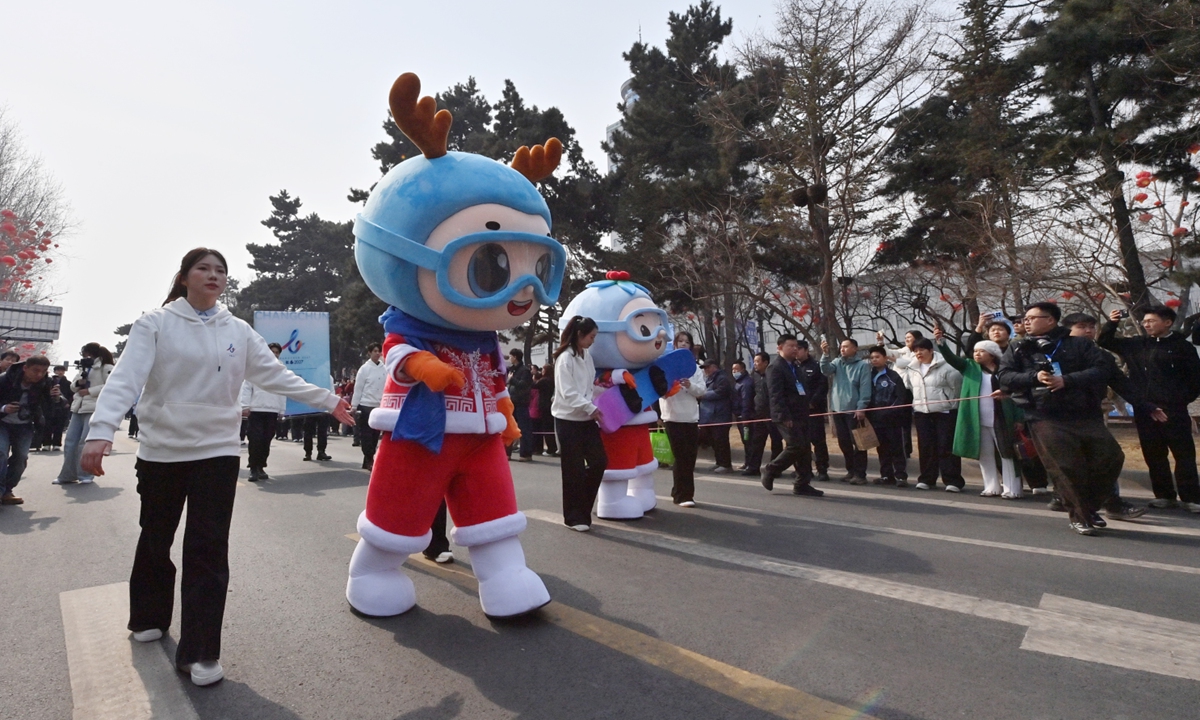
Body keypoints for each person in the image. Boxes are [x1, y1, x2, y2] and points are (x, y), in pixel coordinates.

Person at [80, 247, 354, 687]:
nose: (213, 275)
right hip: (162, 452)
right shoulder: (156, 323)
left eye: (220, 271)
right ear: (184, 277)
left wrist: (326, 398)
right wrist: (101, 430)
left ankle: (201, 651)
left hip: (218, 452)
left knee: (208, 548)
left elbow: (273, 374)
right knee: (156, 536)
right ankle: (149, 615)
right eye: (203, 269)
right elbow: (126, 378)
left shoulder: (238, 330)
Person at [996, 302, 1121, 535]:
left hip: (1085, 414)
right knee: (1066, 466)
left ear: (1051, 320)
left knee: (1111, 457)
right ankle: (1080, 516)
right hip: (1044, 415)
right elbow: (1004, 377)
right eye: (1025, 318)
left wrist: (1068, 380)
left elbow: (1103, 369)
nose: (1026, 322)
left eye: (1032, 317)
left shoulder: (1079, 345)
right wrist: (1034, 377)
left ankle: (1089, 507)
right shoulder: (1019, 348)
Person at [1098, 305, 1200, 512]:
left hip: (1173, 409)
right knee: (1154, 454)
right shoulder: (1137, 344)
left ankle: (1191, 497)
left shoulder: (1181, 346)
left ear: (1167, 322)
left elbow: (1195, 379)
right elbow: (1105, 341)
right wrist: (1112, 323)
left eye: (1151, 321)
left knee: (1183, 454)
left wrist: (1180, 400)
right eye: (1145, 321)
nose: (1146, 324)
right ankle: (1164, 495)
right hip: (1145, 408)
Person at [1059, 313, 1147, 521]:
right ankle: (1066, 498)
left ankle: (1113, 503)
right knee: (1071, 462)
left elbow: (1120, 383)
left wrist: (1145, 405)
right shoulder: (1056, 353)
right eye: (1082, 326)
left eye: (1091, 326)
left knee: (1107, 458)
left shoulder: (1102, 356)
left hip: (1092, 415)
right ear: (1067, 329)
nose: (1089, 331)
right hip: (1060, 417)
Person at [933, 328, 1019, 498]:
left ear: (992, 354)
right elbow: (952, 359)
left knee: (1006, 453)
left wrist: (1019, 418)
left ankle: (1012, 488)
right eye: (975, 351)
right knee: (985, 454)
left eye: (982, 351)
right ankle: (991, 486)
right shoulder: (969, 367)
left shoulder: (1005, 369)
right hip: (978, 419)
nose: (977, 354)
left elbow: (1016, 394)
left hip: (1001, 418)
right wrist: (941, 343)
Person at [552, 316, 607, 530]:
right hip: (568, 420)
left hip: (586, 418)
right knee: (572, 469)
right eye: (591, 336)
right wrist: (591, 408)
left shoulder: (587, 356)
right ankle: (575, 517)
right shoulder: (565, 358)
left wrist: (603, 397)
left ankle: (582, 506)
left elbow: (589, 387)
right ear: (580, 334)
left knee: (599, 461)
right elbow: (568, 393)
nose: (593, 340)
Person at [896, 337, 964, 491]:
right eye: (915, 351)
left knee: (945, 446)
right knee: (926, 446)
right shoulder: (912, 368)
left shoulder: (946, 366)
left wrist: (948, 402)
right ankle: (927, 479)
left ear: (931, 350)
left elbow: (957, 387)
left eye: (921, 350)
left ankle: (953, 481)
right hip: (922, 412)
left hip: (944, 411)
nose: (918, 353)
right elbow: (909, 387)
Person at [760, 335, 823, 497]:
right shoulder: (775, 367)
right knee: (796, 445)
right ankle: (770, 470)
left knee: (805, 449)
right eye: (790, 346)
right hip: (787, 415)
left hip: (801, 413)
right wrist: (784, 416)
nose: (795, 349)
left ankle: (802, 483)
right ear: (779, 347)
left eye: (796, 346)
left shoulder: (795, 366)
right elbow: (775, 395)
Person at [0, 356, 61, 505]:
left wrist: (57, 398)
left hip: (25, 425)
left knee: (21, 457)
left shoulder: (46, 383)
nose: (39, 375)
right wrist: (3, 408)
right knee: (0, 452)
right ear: (25, 368)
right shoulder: (4, 380)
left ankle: (8, 491)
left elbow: (55, 405)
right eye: (35, 371)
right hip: (2, 423)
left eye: (43, 371)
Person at [54, 343, 115, 486]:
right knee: (70, 442)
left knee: (84, 443)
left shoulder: (107, 368)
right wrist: (79, 383)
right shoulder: (83, 368)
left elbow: (111, 386)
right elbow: (72, 387)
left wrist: (90, 391)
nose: (85, 357)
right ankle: (67, 475)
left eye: (87, 354)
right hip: (78, 408)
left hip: (94, 408)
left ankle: (85, 474)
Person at [660, 331, 706, 507]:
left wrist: (689, 385)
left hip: (691, 418)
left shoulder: (696, 368)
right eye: (680, 341)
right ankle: (682, 495)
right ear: (675, 345)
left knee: (690, 457)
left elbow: (702, 391)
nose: (684, 344)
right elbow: (661, 391)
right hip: (672, 417)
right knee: (681, 457)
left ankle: (686, 492)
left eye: (687, 342)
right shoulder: (667, 366)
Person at [819, 338, 872, 483]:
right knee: (844, 442)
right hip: (838, 409)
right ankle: (851, 470)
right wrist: (825, 354)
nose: (842, 349)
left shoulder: (862, 366)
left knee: (859, 443)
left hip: (854, 410)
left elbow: (865, 388)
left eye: (846, 347)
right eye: (841, 347)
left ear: (855, 349)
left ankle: (860, 474)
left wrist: (861, 407)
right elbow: (825, 370)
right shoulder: (837, 362)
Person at [239, 342, 287, 482]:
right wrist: (245, 406)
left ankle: (261, 466)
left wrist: (281, 410)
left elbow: (283, 390)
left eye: (277, 352)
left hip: (272, 410)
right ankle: (253, 468)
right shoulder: (255, 368)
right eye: (272, 352)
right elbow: (247, 387)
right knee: (255, 439)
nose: (275, 354)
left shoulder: (281, 370)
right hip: (256, 410)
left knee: (266, 440)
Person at [866, 346, 908, 487]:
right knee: (882, 449)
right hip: (875, 420)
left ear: (885, 358)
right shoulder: (868, 376)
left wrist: (890, 411)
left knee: (896, 448)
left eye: (877, 357)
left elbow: (901, 397)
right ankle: (886, 475)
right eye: (872, 358)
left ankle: (901, 476)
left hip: (893, 420)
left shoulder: (894, 376)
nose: (874, 360)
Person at [793, 340, 830, 482]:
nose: (796, 352)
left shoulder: (815, 366)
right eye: (794, 349)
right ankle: (804, 470)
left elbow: (822, 387)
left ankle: (822, 469)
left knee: (818, 441)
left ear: (806, 350)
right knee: (801, 442)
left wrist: (812, 402)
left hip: (814, 411)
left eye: (799, 349)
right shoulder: (792, 367)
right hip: (798, 411)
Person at [742, 352, 780, 476]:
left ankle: (775, 468)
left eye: (758, 361)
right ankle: (753, 467)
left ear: (765, 363)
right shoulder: (754, 376)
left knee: (776, 442)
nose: (755, 364)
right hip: (758, 414)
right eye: (754, 361)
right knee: (756, 442)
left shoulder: (772, 374)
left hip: (773, 414)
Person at [351, 342, 386, 471]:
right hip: (366, 405)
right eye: (375, 351)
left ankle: (368, 459)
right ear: (369, 353)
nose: (377, 353)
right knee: (366, 435)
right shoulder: (364, 369)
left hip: (379, 406)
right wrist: (354, 406)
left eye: (379, 351)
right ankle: (369, 458)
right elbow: (358, 388)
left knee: (375, 435)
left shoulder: (385, 368)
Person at [698, 359, 734, 473]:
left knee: (721, 441)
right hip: (710, 416)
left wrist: (702, 395)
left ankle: (726, 464)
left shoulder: (722, 378)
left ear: (714, 367)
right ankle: (719, 462)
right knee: (714, 441)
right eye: (704, 368)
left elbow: (720, 392)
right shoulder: (709, 378)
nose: (706, 370)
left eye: (708, 367)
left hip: (720, 415)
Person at [506, 348, 535, 462]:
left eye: (511, 356)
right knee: (509, 428)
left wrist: (511, 380)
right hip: (512, 401)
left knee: (524, 429)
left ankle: (526, 453)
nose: (510, 358)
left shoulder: (524, 371)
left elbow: (523, 385)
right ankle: (507, 453)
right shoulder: (512, 370)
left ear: (515, 357)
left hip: (521, 402)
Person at [532, 362, 558, 456]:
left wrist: (533, 378)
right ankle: (553, 447)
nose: (542, 371)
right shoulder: (553, 380)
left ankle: (550, 449)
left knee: (546, 427)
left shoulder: (544, 380)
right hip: (551, 405)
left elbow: (534, 385)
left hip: (544, 406)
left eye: (543, 369)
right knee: (550, 427)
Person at [731, 359, 753, 466]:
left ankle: (750, 463)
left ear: (743, 370)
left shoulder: (746, 383)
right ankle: (747, 462)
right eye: (733, 369)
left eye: (736, 369)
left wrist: (745, 417)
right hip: (739, 416)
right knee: (745, 441)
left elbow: (746, 401)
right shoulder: (738, 382)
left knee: (748, 440)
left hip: (744, 417)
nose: (734, 372)